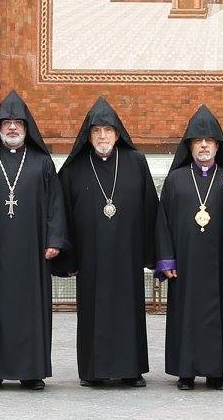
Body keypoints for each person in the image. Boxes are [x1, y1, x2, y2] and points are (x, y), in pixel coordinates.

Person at [0, 92, 66, 390]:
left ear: (26, 127)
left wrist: (54, 240)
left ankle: (31, 372)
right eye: (6, 122)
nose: (11, 128)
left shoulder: (42, 163)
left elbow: (56, 205)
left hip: (33, 254)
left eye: (17, 123)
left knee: (31, 311)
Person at [53, 97, 157, 388]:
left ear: (117, 133)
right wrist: (69, 259)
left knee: (128, 311)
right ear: (88, 135)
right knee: (92, 313)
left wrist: (152, 254)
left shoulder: (135, 162)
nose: (102, 136)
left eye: (108, 130)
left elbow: (151, 209)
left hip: (128, 256)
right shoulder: (74, 169)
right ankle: (92, 371)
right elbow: (61, 215)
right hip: (91, 258)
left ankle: (131, 370)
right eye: (96, 131)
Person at [154, 106, 223, 390]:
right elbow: (163, 223)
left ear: (218, 146)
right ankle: (186, 372)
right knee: (187, 315)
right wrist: (166, 260)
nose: (203, 145)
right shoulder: (175, 180)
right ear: (190, 146)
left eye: (209, 140)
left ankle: (217, 372)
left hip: (220, 263)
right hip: (186, 264)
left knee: (218, 315)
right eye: (198, 140)